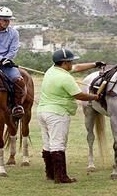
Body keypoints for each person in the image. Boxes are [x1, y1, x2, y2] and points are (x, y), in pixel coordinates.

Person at [37, 48, 104, 184]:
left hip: (42, 112)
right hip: (57, 113)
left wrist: (94, 64)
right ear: (64, 63)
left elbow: (77, 67)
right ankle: (61, 177)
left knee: (48, 144)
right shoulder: (66, 78)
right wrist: (95, 97)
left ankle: (50, 174)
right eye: (70, 61)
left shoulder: (52, 70)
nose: (72, 63)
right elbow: (79, 95)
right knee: (58, 144)